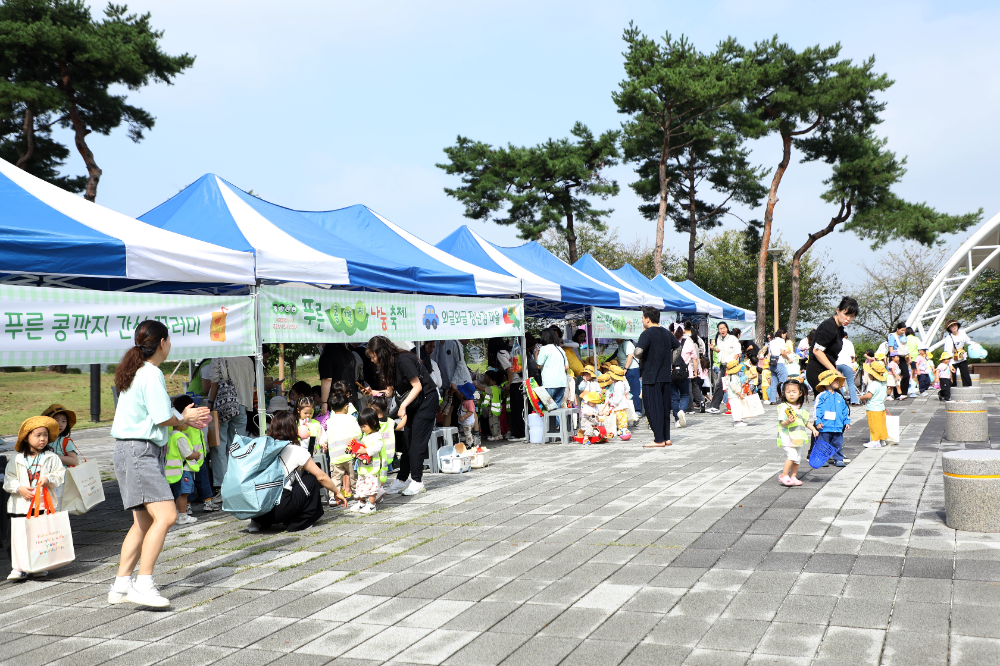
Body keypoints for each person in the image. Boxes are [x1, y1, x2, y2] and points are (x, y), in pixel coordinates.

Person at [109, 320, 211, 608]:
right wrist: (185, 419)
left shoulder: (136, 370)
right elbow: (160, 417)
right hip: (139, 453)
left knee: (142, 522)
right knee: (166, 517)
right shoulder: (151, 373)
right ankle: (143, 584)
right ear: (163, 343)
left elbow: (157, 415)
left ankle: (120, 585)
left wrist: (181, 419)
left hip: (132, 451)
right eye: (170, 340)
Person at [250, 411, 346, 533]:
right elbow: (321, 477)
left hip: (257, 508)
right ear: (292, 429)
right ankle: (299, 522)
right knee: (311, 479)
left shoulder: (263, 446)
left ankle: (257, 522)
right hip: (280, 508)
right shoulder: (295, 450)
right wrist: (337, 491)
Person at [368, 336, 438, 497]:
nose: (372, 360)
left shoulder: (403, 360)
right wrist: (373, 392)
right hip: (413, 402)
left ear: (381, 352)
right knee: (406, 441)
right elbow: (390, 392)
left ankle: (417, 481)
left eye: (373, 356)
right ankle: (402, 479)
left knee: (417, 442)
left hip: (426, 400)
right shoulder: (389, 366)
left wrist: (403, 406)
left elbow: (417, 386)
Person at [4, 416, 65, 581]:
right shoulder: (17, 459)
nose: (42, 439)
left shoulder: (51, 458)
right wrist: (19, 488)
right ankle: (19, 567)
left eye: (45, 435)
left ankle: (40, 566)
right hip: (20, 505)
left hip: (43, 505)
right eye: (37, 435)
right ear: (26, 437)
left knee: (40, 536)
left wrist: (49, 479)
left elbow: (60, 474)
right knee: (19, 537)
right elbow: (9, 478)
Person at [207, 355, 255, 498]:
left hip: (223, 405)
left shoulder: (219, 358)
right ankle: (239, 482)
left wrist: (210, 403)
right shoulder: (248, 359)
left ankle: (222, 486)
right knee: (238, 446)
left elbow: (214, 383)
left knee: (219, 446)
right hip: (242, 405)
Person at [634, 307, 680, 447]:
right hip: (665, 376)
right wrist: (669, 361)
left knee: (653, 408)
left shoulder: (646, 333)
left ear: (647, 319)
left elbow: (638, 351)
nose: (642, 320)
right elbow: (678, 347)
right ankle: (666, 438)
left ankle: (658, 439)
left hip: (651, 376)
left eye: (642, 318)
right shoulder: (667, 333)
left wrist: (639, 356)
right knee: (665, 408)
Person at [172, 395, 216, 514]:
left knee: (187, 484)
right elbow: (209, 419)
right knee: (202, 481)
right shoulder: (194, 420)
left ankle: (188, 506)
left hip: (185, 460)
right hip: (197, 457)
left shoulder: (177, 423)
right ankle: (207, 502)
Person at [805, 297, 859, 391]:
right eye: (846, 314)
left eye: (852, 316)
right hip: (817, 371)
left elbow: (831, 355)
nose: (848, 319)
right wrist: (836, 372)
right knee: (832, 401)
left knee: (838, 402)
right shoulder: (829, 326)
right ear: (838, 311)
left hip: (828, 371)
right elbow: (817, 351)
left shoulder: (840, 329)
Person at [165, 411, 204, 526]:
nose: (188, 424)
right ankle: (183, 516)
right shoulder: (180, 436)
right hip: (184, 470)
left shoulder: (171, 435)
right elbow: (187, 455)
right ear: (178, 423)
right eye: (185, 422)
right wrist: (196, 455)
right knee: (184, 494)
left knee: (180, 494)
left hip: (176, 471)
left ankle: (178, 514)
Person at [777, 380, 817, 487]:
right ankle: (784, 475)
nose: (791, 394)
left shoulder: (800, 408)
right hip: (787, 437)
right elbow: (782, 424)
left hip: (799, 437)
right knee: (792, 455)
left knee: (797, 459)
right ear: (784, 393)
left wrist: (813, 429)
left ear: (800, 393)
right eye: (788, 392)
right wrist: (788, 421)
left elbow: (805, 421)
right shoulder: (784, 407)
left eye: (794, 391)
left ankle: (793, 477)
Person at [348, 408, 387, 515]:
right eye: (361, 427)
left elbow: (378, 447)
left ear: (373, 423)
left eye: (364, 426)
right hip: (363, 468)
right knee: (361, 485)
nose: (363, 429)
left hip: (372, 469)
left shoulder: (376, 435)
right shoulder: (365, 435)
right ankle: (362, 502)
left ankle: (371, 505)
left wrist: (365, 450)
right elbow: (360, 446)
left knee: (371, 487)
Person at [325, 391, 362, 501]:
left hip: (335, 456)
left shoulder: (329, 422)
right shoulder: (351, 419)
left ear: (331, 407)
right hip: (350, 454)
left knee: (335, 478)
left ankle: (333, 497)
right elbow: (359, 434)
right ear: (346, 407)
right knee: (354, 476)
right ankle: (358, 492)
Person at [814, 370, 851, 467]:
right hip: (825, 425)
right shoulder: (821, 396)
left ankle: (838, 459)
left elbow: (845, 410)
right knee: (823, 443)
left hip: (838, 426)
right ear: (828, 383)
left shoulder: (839, 396)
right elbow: (817, 409)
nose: (838, 382)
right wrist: (818, 421)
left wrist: (846, 421)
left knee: (838, 444)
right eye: (835, 380)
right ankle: (821, 458)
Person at [707, 322, 742, 414]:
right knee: (720, 385)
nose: (722, 330)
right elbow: (720, 350)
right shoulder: (719, 338)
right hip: (723, 365)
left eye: (724, 328)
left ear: (727, 328)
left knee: (732, 385)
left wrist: (732, 364)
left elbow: (737, 352)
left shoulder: (733, 338)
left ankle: (736, 405)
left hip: (731, 366)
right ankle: (715, 406)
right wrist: (713, 348)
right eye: (720, 329)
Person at [319, 343, 358, 416]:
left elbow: (327, 379)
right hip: (351, 398)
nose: (318, 345)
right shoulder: (349, 354)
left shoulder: (327, 356)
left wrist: (324, 402)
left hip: (336, 402)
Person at [536, 329, 570, 407]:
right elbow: (567, 367)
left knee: (548, 408)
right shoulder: (560, 349)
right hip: (562, 383)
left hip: (549, 383)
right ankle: (557, 420)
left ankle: (550, 420)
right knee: (556, 408)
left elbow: (539, 365)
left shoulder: (544, 349)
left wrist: (536, 354)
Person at [672, 326, 697, 428]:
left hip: (672, 373)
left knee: (674, 397)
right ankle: (682, 410)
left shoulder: (669, 341)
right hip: (685, 373)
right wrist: (696, 371)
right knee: (685, 394)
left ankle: (677, 419)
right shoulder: (688, 342)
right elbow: (694, 358)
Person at [860, 360, 888, 448]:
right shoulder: (883, 384)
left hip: (872, 408)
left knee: (874, 425)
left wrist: (861, 397)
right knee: (881, 424)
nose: (868, 375)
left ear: (872, 375)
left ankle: (875, 441)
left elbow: (869, 395)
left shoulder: (873, 384)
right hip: (881, 407)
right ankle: (882, 440)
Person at [942, 320, 973, 387]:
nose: (954, 327)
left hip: (962, 358)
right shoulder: (949, 338)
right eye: (951, 326)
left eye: (955, 325)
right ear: (949, 328)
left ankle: (968, 389)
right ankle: (952, 391)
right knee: (953, 376)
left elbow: (967, 341)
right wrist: (950, 364)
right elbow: (948, 351)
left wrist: (974, 343)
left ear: (958, 326)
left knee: (965, 374)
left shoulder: (962, 333)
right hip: (953, 360)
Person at [617, 337, 643, 416]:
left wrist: (625, 368)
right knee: (627, 391)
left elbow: (630, 356)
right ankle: (631, 410)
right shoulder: (621, 344)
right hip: (626, 370)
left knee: (633, 390)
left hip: (631, 370)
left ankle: (637, 410)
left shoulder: (627, 343)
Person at [607, 365, 632, 440]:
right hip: (620, 404)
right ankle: (621, 429)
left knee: (621, 418)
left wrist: (613, 403)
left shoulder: (618, 384)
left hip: (619, 405)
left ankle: (623, 430)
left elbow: (618, 397)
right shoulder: (618, 383)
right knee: (621, 418)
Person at [835, 331, 859, 405]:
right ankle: (854, 401)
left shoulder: (835, 342)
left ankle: (841, 400)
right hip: (846, 364)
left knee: (839, 383)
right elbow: (853, 356)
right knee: (850, 383)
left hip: (836, 364)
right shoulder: (849, 342)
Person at [887, 323, 910, 397]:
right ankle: (897, 394)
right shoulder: (892, 336)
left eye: (904, 330)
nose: (903, 332)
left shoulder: (903, 336)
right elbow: (891, 348)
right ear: (897, 329)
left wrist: (908, 356)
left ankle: (903, 392)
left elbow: (906, 347)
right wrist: (893, 358)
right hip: (895, 357)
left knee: (906, 374)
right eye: (902, 330)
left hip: (902, 357)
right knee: (896, 375)